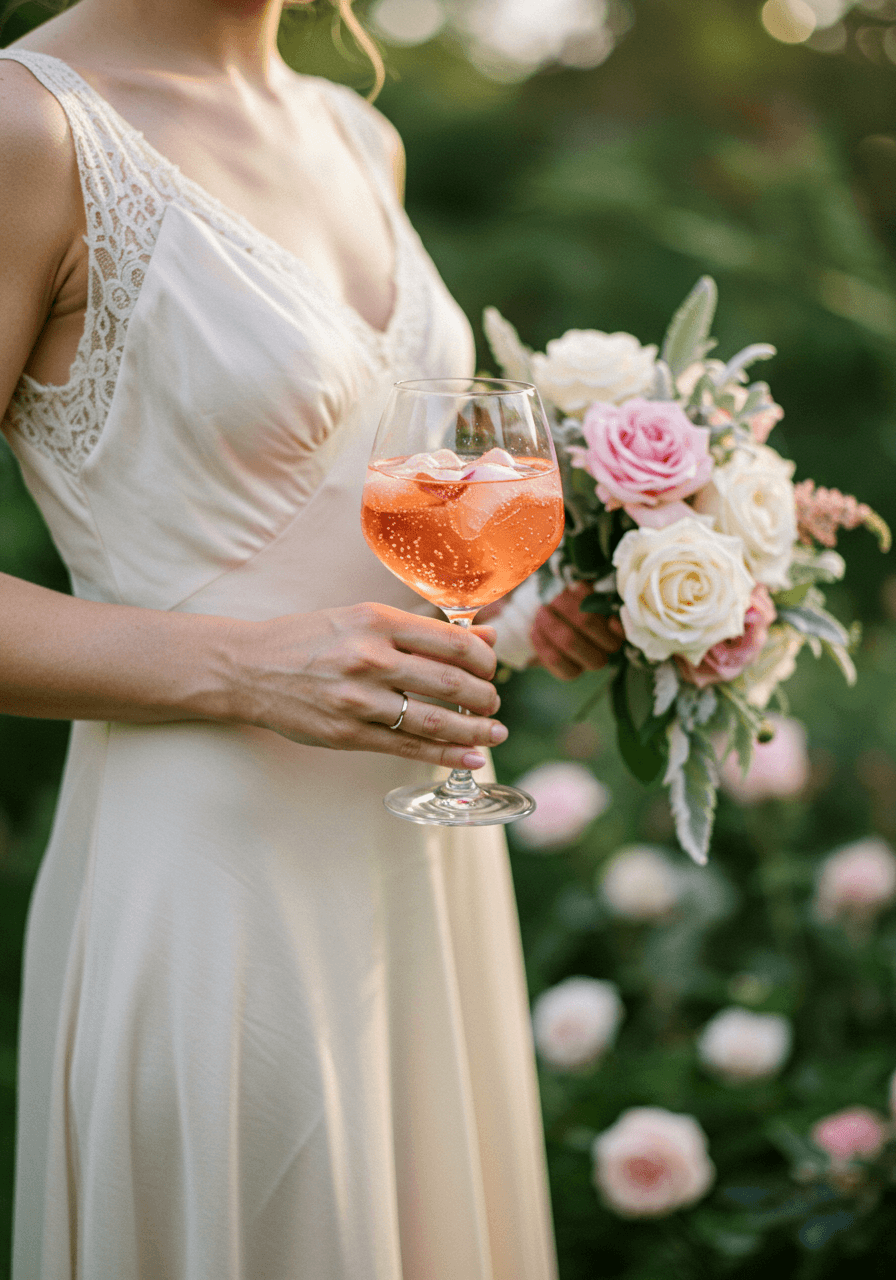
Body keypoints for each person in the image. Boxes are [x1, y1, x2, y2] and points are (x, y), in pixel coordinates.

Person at [0, 2, 620, 1275]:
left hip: (419, 869)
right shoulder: (30, 128)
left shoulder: (355, 133)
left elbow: (369, 510)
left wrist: (514, 607)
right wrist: (236, 664)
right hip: (208, 873)